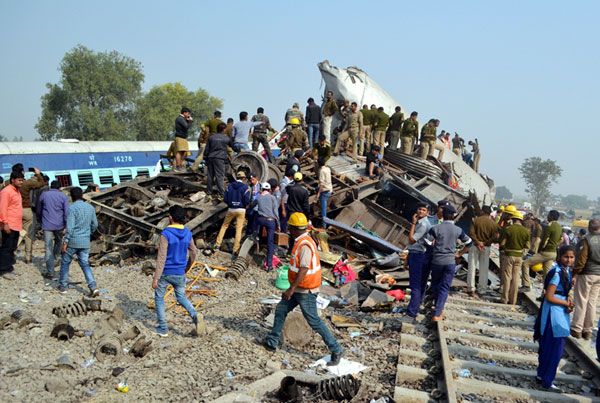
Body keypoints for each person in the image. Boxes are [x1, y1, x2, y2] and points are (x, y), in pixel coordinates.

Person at [264, 212, 344, 365]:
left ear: (293, 228)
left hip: (305, 290)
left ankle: (336, 349)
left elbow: (304, 269)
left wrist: (290, 289)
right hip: (299, 288)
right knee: (281, 309)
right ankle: (272, 341)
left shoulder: (304, 244)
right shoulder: (302, 241)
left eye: (290, 227)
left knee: (314, 320)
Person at [152, 205, 204, 337]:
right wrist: (187, 267)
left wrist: (156, 277)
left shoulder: (166, 234)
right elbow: (193, 252)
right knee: (181, 297)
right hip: (180, 272)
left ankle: (163, 328)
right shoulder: (188, 233)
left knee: (159, 298)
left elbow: (162, 257)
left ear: (170, 217)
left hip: (166, 272)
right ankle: (195, 314)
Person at [535, 245, 575, 392]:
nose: (569, 260)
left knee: (548, 346)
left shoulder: (566, 271)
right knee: (554, 348)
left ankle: (541, 375)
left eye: (571, 257)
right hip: (554, 314)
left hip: (559, 312)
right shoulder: (557, 273)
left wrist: (568, 299)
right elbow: (550, 296)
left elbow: (562, 291)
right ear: (560, 256)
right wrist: (566, 302)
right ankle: (547, 380)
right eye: (566, 257)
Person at [428, 204, 472, 321]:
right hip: (450, 262)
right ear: (453, 216)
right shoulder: (458, 230)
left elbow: (427, 243)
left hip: (437, 261)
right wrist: (460, 254)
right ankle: (438, 312)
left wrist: (435, 249)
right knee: (444, 286)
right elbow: (469, 243)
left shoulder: (435, 228)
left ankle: (438, 306)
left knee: (436, 284)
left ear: (442, 214)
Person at [59, 187, 99, 296]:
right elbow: (95, 225)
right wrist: (88, 233)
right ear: (82, 195)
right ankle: (93, 286)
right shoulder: (90, 208)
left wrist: (65, 242)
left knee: (66, 262)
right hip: (85, 241)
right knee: (85, 264)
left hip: (73, 241)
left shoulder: (72, 209)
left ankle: (63, 286)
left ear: (71, 197)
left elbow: (70, 227)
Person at [570, 219, 600, 340]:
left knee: (582, 300)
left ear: (589, 227)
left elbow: (581, 259)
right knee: (592, 302)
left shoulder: (586, 240)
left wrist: (574, 273)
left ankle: (577, 328)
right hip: (598, 275)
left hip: (586, 273)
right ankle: (587, 330)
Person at [214, 172, 251, 261]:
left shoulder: (230, 186)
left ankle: (217, 245)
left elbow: (225, 198)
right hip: (241, 210)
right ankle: (235, 250)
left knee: (224, 226)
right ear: (243, 178)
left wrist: (231, 204)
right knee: (238, 230)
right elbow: (247, 200)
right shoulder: (245, 188)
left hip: (231, 209)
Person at [405, 202, 433, 320]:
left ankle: (412, 311)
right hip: (415, 254)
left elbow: (412, 240)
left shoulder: (423, 224)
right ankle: (416, 306)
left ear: (428, 213)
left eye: (423, 210)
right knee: (420, 283)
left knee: (415, 285)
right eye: (419, 209)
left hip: (418, 255)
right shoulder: (423, 223)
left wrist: (413, 223)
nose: (421, 211)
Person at [37, 180, 69, 279]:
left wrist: (40, 219)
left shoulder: (44, 195)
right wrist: (66, 226)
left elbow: (39, 209)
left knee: (48, 247)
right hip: (60, 225)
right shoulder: (63, 196)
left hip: (47, 225)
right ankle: (56, 257)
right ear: (60, 188)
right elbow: (66, 212)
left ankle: (50, 271)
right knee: (59, 242)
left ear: (50, 187)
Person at [467, 205, 500, 296]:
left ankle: (471, 289)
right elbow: (494, 237)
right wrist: (484, 243)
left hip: (475, 246)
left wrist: (478, 243)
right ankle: (482, 290)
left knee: (472, 267)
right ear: (490, 213)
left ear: (482, 211)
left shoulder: (475, 220)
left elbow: (471, 233)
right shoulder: (494, 224)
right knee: (484, 269)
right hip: (486, 248)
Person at [499, 212, 530, 304]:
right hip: (519, 256)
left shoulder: (508, 229)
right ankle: (513, 300)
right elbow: (527, 246)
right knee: (516, 277)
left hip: (509, 255)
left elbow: (502, 243)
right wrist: (522, 252)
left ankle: (504, 298)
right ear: (521, 220)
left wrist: (503, 250)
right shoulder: (526, 231)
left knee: (507, 277)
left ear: (513, 219)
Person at [523, 210, 563, 278]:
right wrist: (554, 245)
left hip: (546, 252)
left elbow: (544, 240)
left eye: (548, 215)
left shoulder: (549, 226)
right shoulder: (559, 227)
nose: (547, 216)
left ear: (551, 217)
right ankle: (546, 288)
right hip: (553, 253)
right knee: (547, 274)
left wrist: (539, 251)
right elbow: (561, 239)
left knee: (525, 263)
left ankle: (526, 284)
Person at [0, 171, 24, 279]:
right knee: (6, 247)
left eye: (22, 180)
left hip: (16, 224)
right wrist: (5, 223)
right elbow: (2, 208)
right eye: (19, 180)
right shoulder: (6, 191)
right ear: (12, 180)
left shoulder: (17, 191)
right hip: (9, 224)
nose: (21, 182)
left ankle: (9, 267)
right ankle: (3, 270)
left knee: (12, 247)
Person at [19, 166, 45, 264]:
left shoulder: (8, 183)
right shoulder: (26, 183)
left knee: (15, 232)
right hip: (26, 209)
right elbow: (41, 183)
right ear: (22, 172)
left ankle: (10, 254)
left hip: (14, 210)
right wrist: (38, 173)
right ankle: (28, 258)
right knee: (28, 233)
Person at [204, 123, 236, 202]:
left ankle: (209, 193)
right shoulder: (226, 138)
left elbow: (207, 149)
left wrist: (205, 159)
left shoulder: (211, 138)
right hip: (220, 159)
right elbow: (233, 147)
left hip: (210, 158)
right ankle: (221, 194)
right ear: (224, 129)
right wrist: (239, 150)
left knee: (210, 176)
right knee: (219, 176)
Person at [257, 182, 280, 271]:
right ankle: (269, 265)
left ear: (261, 189)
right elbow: (275, 212)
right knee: (270, 242)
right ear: (270, 190)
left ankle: (258, 242)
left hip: (261, 220)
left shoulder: (259, 197)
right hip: (270, 221)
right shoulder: (273, 198)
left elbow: (252, 205)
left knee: (259, 226)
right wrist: (278, 224)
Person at [174, 107, 194, 171]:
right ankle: (178, 165)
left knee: (185, 152)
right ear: (184, 113)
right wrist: (190, 121)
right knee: (180, 151)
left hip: (183, 137)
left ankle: (180, 164)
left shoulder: (183, 119)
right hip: (180, 137)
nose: (189, 115)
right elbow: (186, 126)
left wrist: (187, 120)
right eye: (188, 113)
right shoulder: (180, 118)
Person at [316, 157, 332, 228]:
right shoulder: (328, 169)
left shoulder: (322, 171)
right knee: (316, 188)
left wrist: (318, 194)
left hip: (325, 190)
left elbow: (321, 184)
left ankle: (324, 225)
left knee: (323, 210)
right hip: (329, 188)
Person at [279, 169, 294, 233]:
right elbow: (281, 197)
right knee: (283, 220)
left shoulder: (289, 183)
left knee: (285, 221)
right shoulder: (284, 184)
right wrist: (283, 209)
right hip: (283, 204)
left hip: (287, 203)